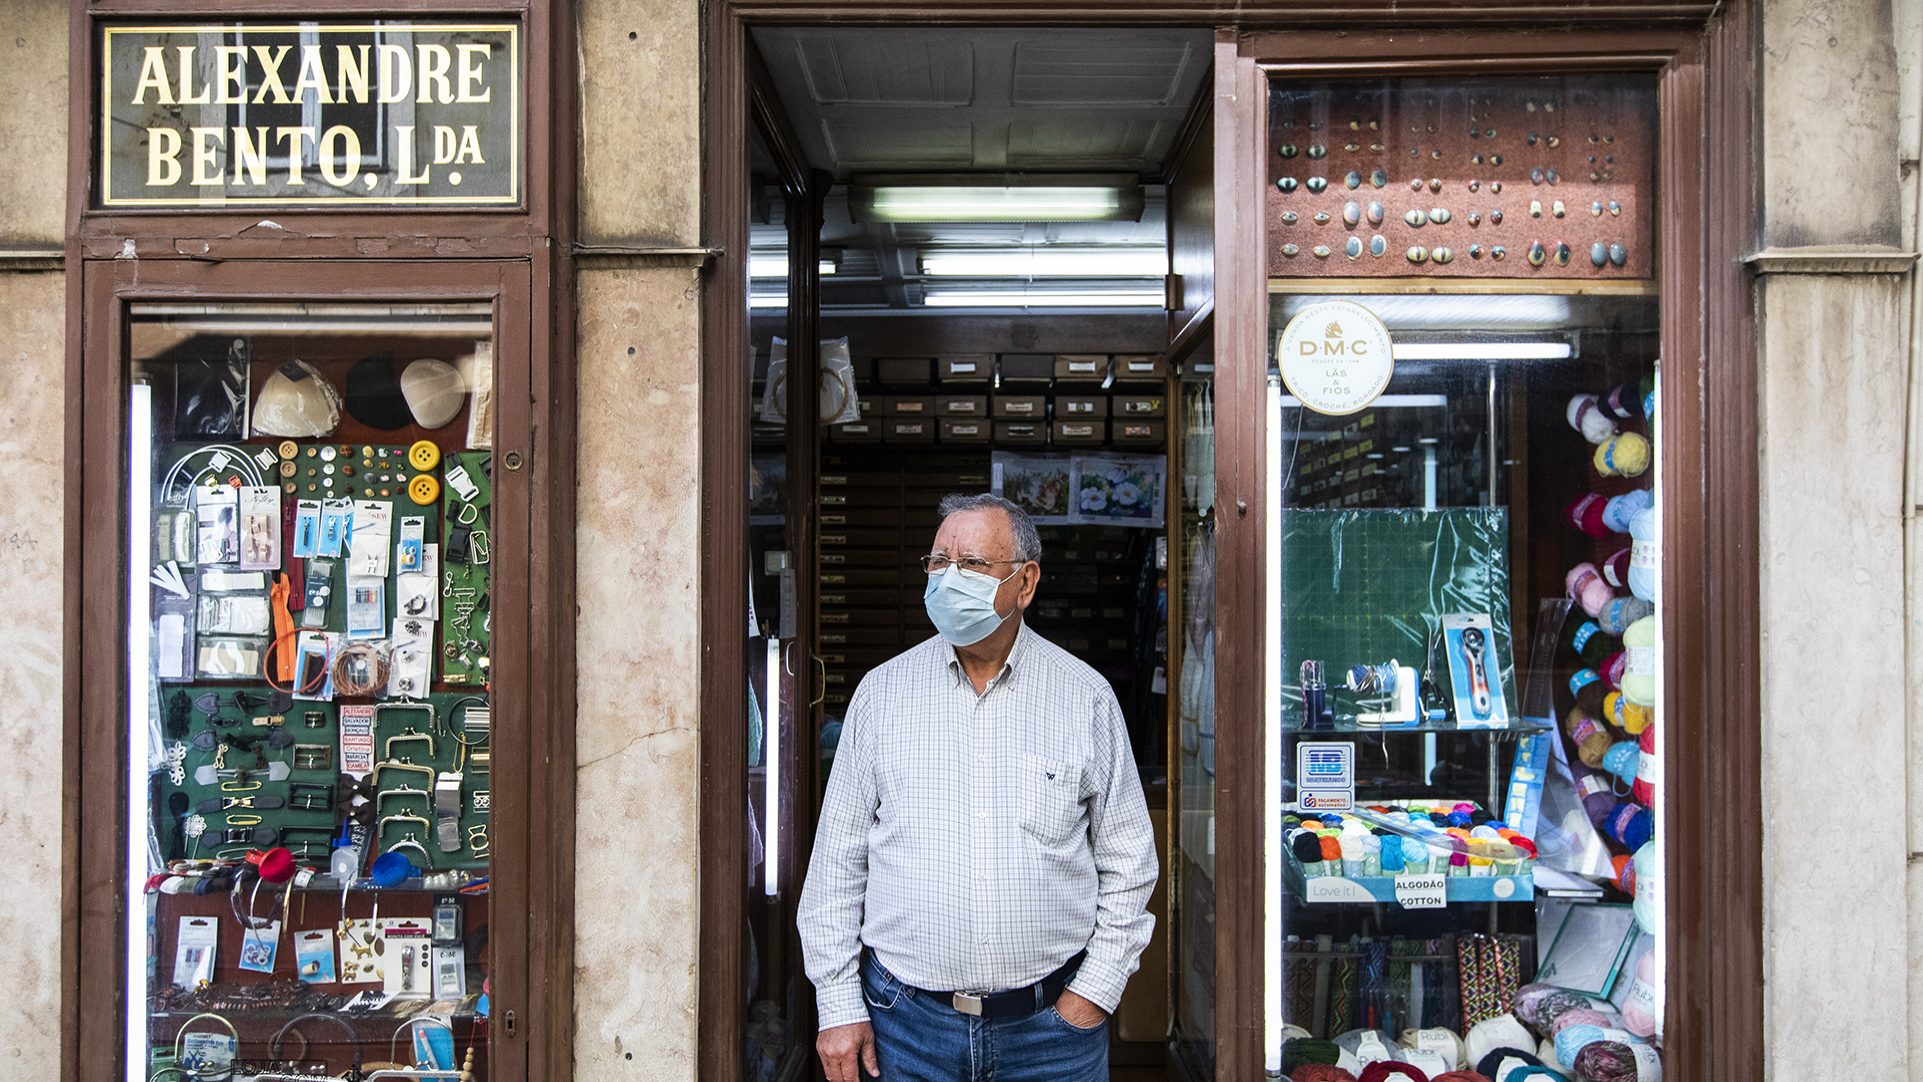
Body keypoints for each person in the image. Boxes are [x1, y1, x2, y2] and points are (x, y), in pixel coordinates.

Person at [797, 493, 1159, 1082]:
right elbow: (836, 864)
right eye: (938, 563)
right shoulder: (881, 696)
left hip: (1052, 1036)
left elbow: (1130, 863)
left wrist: (1094, 991)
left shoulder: (1084, 698)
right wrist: (837, 1003)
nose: (948, 579)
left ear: (1026, 582)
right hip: (905, 1029)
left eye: (971, 564)